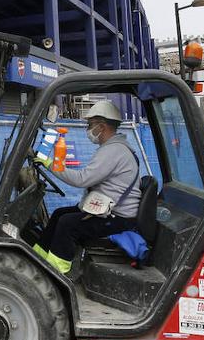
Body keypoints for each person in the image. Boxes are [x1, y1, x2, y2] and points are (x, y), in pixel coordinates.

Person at [33, 100, 141, 274]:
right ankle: (37, 258)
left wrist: (50, 164)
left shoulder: (114, 151)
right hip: (109, 211)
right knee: (60, 214)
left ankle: (55, 273)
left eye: (90, 125)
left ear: (102, 126)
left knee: (67, 224)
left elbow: (82, 179)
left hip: (118, 218)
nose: (88, 130)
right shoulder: (113, 148)